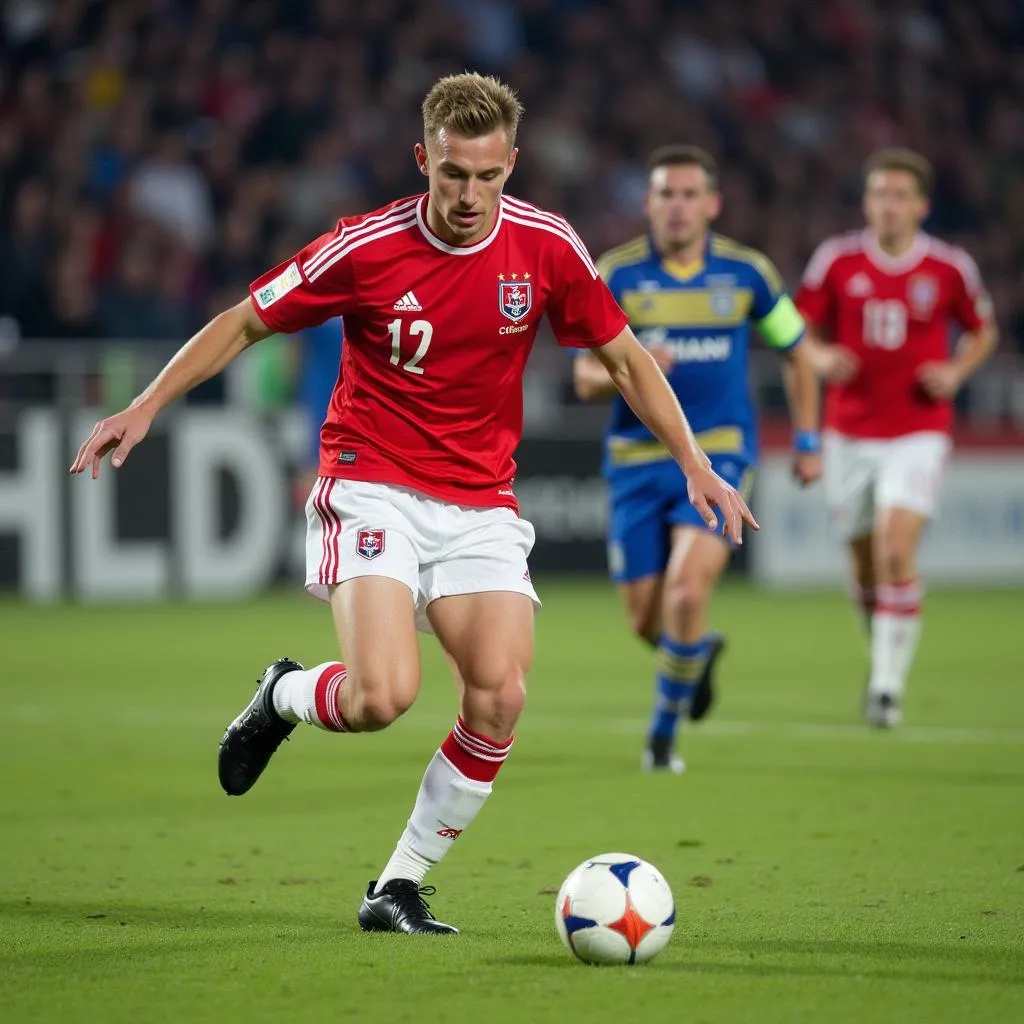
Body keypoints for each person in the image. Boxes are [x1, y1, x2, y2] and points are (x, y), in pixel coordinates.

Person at [70, 73, 756, 935]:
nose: (470, 196)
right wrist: (146, 406)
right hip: (371, 482)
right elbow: (246, 321)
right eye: (452, 175)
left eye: (488, 177)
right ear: (422, 158)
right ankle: (284, 695)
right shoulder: (362, 247)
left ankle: (395, 885)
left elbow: (622, 357)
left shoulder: (546, 245)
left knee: (500, 696)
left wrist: (694, 461)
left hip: (479, 502)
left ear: (512, 163)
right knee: (380, 697)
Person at [574, 145, 819, 773]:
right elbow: (582, 375)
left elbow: (797, 348)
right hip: (634, 460)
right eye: (665, 194)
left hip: (720, 456)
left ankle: (661, 737)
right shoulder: (616, 274)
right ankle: (695, 654)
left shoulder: (749, 274)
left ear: (712, 204)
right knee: (643, 618)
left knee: (687, 588)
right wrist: (637, 364)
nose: (677, 207)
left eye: (689, 195)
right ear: (648, 203)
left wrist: (809, 438)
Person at [796, 148, 996, 728]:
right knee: (863, 570)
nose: (888, 206)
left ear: (921, 205)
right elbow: (797, 327)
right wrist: (820, 353)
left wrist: (957, 372)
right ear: (867, 201)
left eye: (900, 196)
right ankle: (882, 649)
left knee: (894, 549)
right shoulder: (835, 260)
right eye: (879, 194)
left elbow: (983, 331)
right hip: (848, 432)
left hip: (918, 430)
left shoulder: (949, 266)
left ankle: (886, 688)